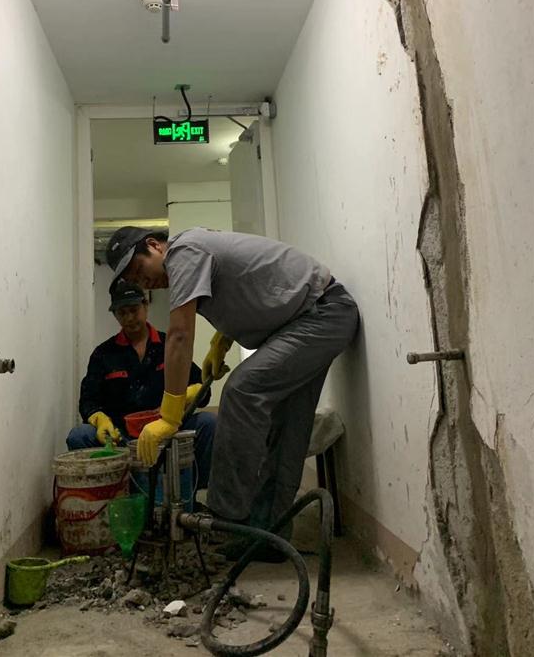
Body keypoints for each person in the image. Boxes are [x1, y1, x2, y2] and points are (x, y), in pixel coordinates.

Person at [105, 226, 359, 551]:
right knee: (287, 431)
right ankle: (267, 538)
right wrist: (222, 340)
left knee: (241, 391)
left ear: (154, 245)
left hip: (322, 315)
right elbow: (248, 288)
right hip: (312, 318)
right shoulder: (193, 252)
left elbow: (180, 334)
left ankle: (225, 519)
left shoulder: (184, 251)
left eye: (140, 269)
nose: (144, 281)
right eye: (135, 280)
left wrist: (169, 415)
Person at [66, 280, 216, 490]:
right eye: (122, 312)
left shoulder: (169, 345)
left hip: (168, 429)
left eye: (134, 310)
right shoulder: (103, 354)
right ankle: (108, 496)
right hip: (121, 436)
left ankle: (191, 495)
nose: (129, 318)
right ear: (115, 315)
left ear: (146, 306)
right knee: (79, 436)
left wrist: (191, 393)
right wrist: (100, 419)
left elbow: (203, 390)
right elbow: (88, 400)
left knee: (209, 423)